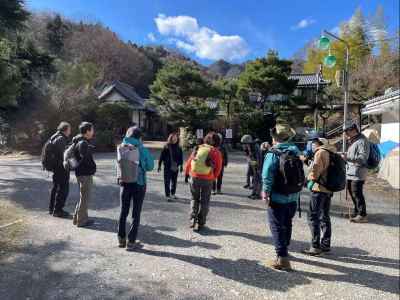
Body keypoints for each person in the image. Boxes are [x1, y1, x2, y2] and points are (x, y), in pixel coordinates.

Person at [262, 124, 302, 271]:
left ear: (275, 138)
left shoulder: (273, 153)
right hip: (293, 195)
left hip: (278, 196)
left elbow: (267, 175)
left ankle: (282, 258)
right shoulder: (295, 151)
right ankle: (285, 248)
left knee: (276, 225)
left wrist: (265, 193)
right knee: (287, 222)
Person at [117, 126, 154, 250]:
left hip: (124, 182)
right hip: (139, 183)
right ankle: (131, 241)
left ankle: (121, 239)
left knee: (123, 211)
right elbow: (150, 166)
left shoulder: (121, 147)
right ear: (140, 137)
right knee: (136, 212)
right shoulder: (141, 149)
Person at [303, 137, 335, 256]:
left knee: (313, 216)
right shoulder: (330, 152)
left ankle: (315, 246)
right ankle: (326, 245)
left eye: (313, 142)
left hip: (319, 189)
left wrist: (308, 179)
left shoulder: (320, 152)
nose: (311, 144)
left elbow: (315, 171)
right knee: (325, 216)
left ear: (318, 143)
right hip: (328, 189)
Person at [185, 132, 223, 231]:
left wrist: (186, 172)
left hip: (194, 176)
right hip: (207, 178)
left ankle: (193, 219)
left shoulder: (198, 148)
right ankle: (201, 223)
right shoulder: (216, 152)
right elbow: (218, 168)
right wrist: (213, 177)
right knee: (205, 201)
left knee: (194, 198)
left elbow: (190, 161)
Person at [342, 122, 370, 223]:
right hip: (352, 172)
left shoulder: (362, 141)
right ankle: (356, 211)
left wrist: (347, 157)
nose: (346, 134)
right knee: (352, 191)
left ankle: (362, 215)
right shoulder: (355, 140)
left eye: (347, 131)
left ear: (353, 130)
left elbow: (363, 158)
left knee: (357, 193)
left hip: (358, 172)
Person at [72, 122, 97, 228]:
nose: (93, 132)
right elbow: (86, 159)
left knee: (83, 196)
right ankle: (81, 221)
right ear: (87, 131)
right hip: (84, 174)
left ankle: (77, 218)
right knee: (85, 198)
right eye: (92, 130)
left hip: (80, 173)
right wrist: (93, 167)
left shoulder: (79, 141)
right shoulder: (83, 143)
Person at [49, 122, 71, 217]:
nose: (70, 131)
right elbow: (64, 155)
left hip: (56, 167)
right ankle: (58, 210)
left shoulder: (55, 136)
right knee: (63, 189)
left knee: (56, 188)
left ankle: (52, 209)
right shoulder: (61, 139)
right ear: (65, 130)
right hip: (60, 167)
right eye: (69, 129)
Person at [158, 133, 183, 201]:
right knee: (167, 181)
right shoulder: (166, 146)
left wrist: (181, 166)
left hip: (175, 166)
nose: (175, 139)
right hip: (167, 166)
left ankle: (173, 194)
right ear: (170, 138)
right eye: (173, 138)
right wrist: (159, 165)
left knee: (174, 181)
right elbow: (161, 156)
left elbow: (181, 157)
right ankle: (167, 195)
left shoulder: (179, 147)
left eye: (176, 138)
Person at [241, 135, 261, 200]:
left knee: (258, 180)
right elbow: (248, 156)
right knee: (255, 179)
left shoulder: (256, 147)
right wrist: (250, 160)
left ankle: (258, 194)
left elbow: (259, 158)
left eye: (245, 143)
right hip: (253, 164)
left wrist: (257, 165)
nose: (244, 145)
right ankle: (253, 193)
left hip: (259, 165)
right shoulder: (248, 147)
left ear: (248, 142)